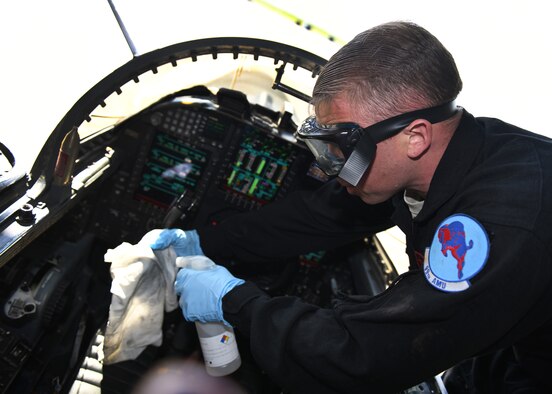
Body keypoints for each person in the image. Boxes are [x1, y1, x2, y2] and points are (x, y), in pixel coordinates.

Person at [150, 21, 552, 393]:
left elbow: (364, 355)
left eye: (341, 149)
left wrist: (233, 302)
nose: (330, 167)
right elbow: (317, 216)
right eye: (324, 148)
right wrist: (205, 241)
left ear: (415, 136)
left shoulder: (502, 219)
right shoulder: (426, 163)